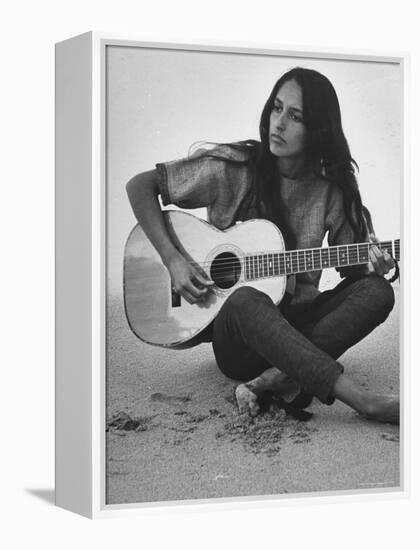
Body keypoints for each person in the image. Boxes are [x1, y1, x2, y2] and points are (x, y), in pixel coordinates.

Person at [126, 67, 399, 425]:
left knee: (378, 292)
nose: (279, 123)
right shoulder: (235, 168)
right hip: (240, 342)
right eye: (277, 108)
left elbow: (353, 272)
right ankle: (364, 402)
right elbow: (140, 186)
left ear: (318, 128)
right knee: (246, 298)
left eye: (295, 115)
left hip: (300, 328)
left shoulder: (332, 190)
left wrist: (373, 265)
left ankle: (274, 378)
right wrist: (174, 260)